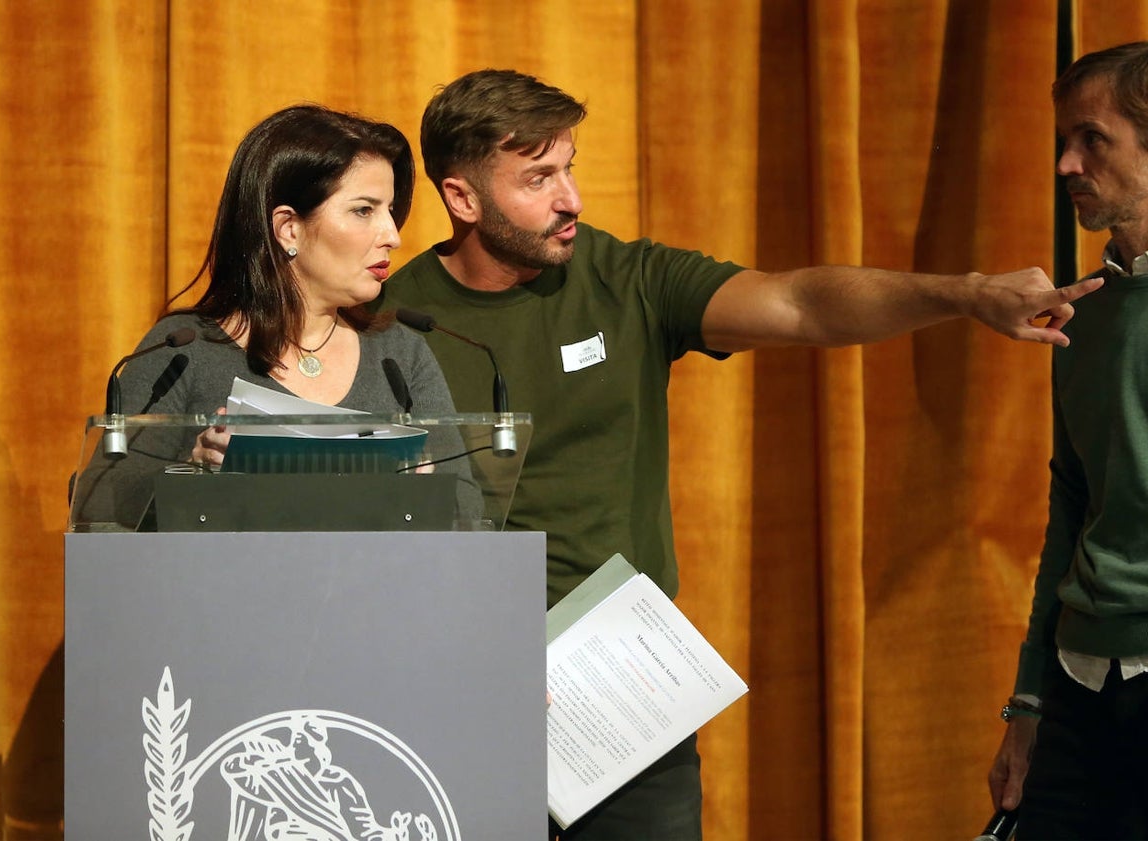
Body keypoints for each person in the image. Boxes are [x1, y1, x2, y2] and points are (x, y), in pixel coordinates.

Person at [374, 68, 1102, 840]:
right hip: (471, 680)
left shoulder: (626, 279)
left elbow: (798, 302)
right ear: (461, 199)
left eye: (571, 168)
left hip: (621, 689)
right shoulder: (391, 322)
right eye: (539, 178)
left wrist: (966, 293)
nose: (571, 199)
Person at [76, 104, 471, 527]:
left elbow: (469, 512)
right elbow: (100, 513)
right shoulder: (181, 352)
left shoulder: (400, 353)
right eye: (364, 210)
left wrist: (423, 495)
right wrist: (193, 474)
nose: (392, 236)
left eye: (390, 211)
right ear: (288, 228)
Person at [987, 42, 1148, 840]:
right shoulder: (1084, 311)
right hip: (1077, 684)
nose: (1065, 163)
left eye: (1092, 139)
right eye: (1063, 141)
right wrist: (1027, 700)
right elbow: (1072, 508)